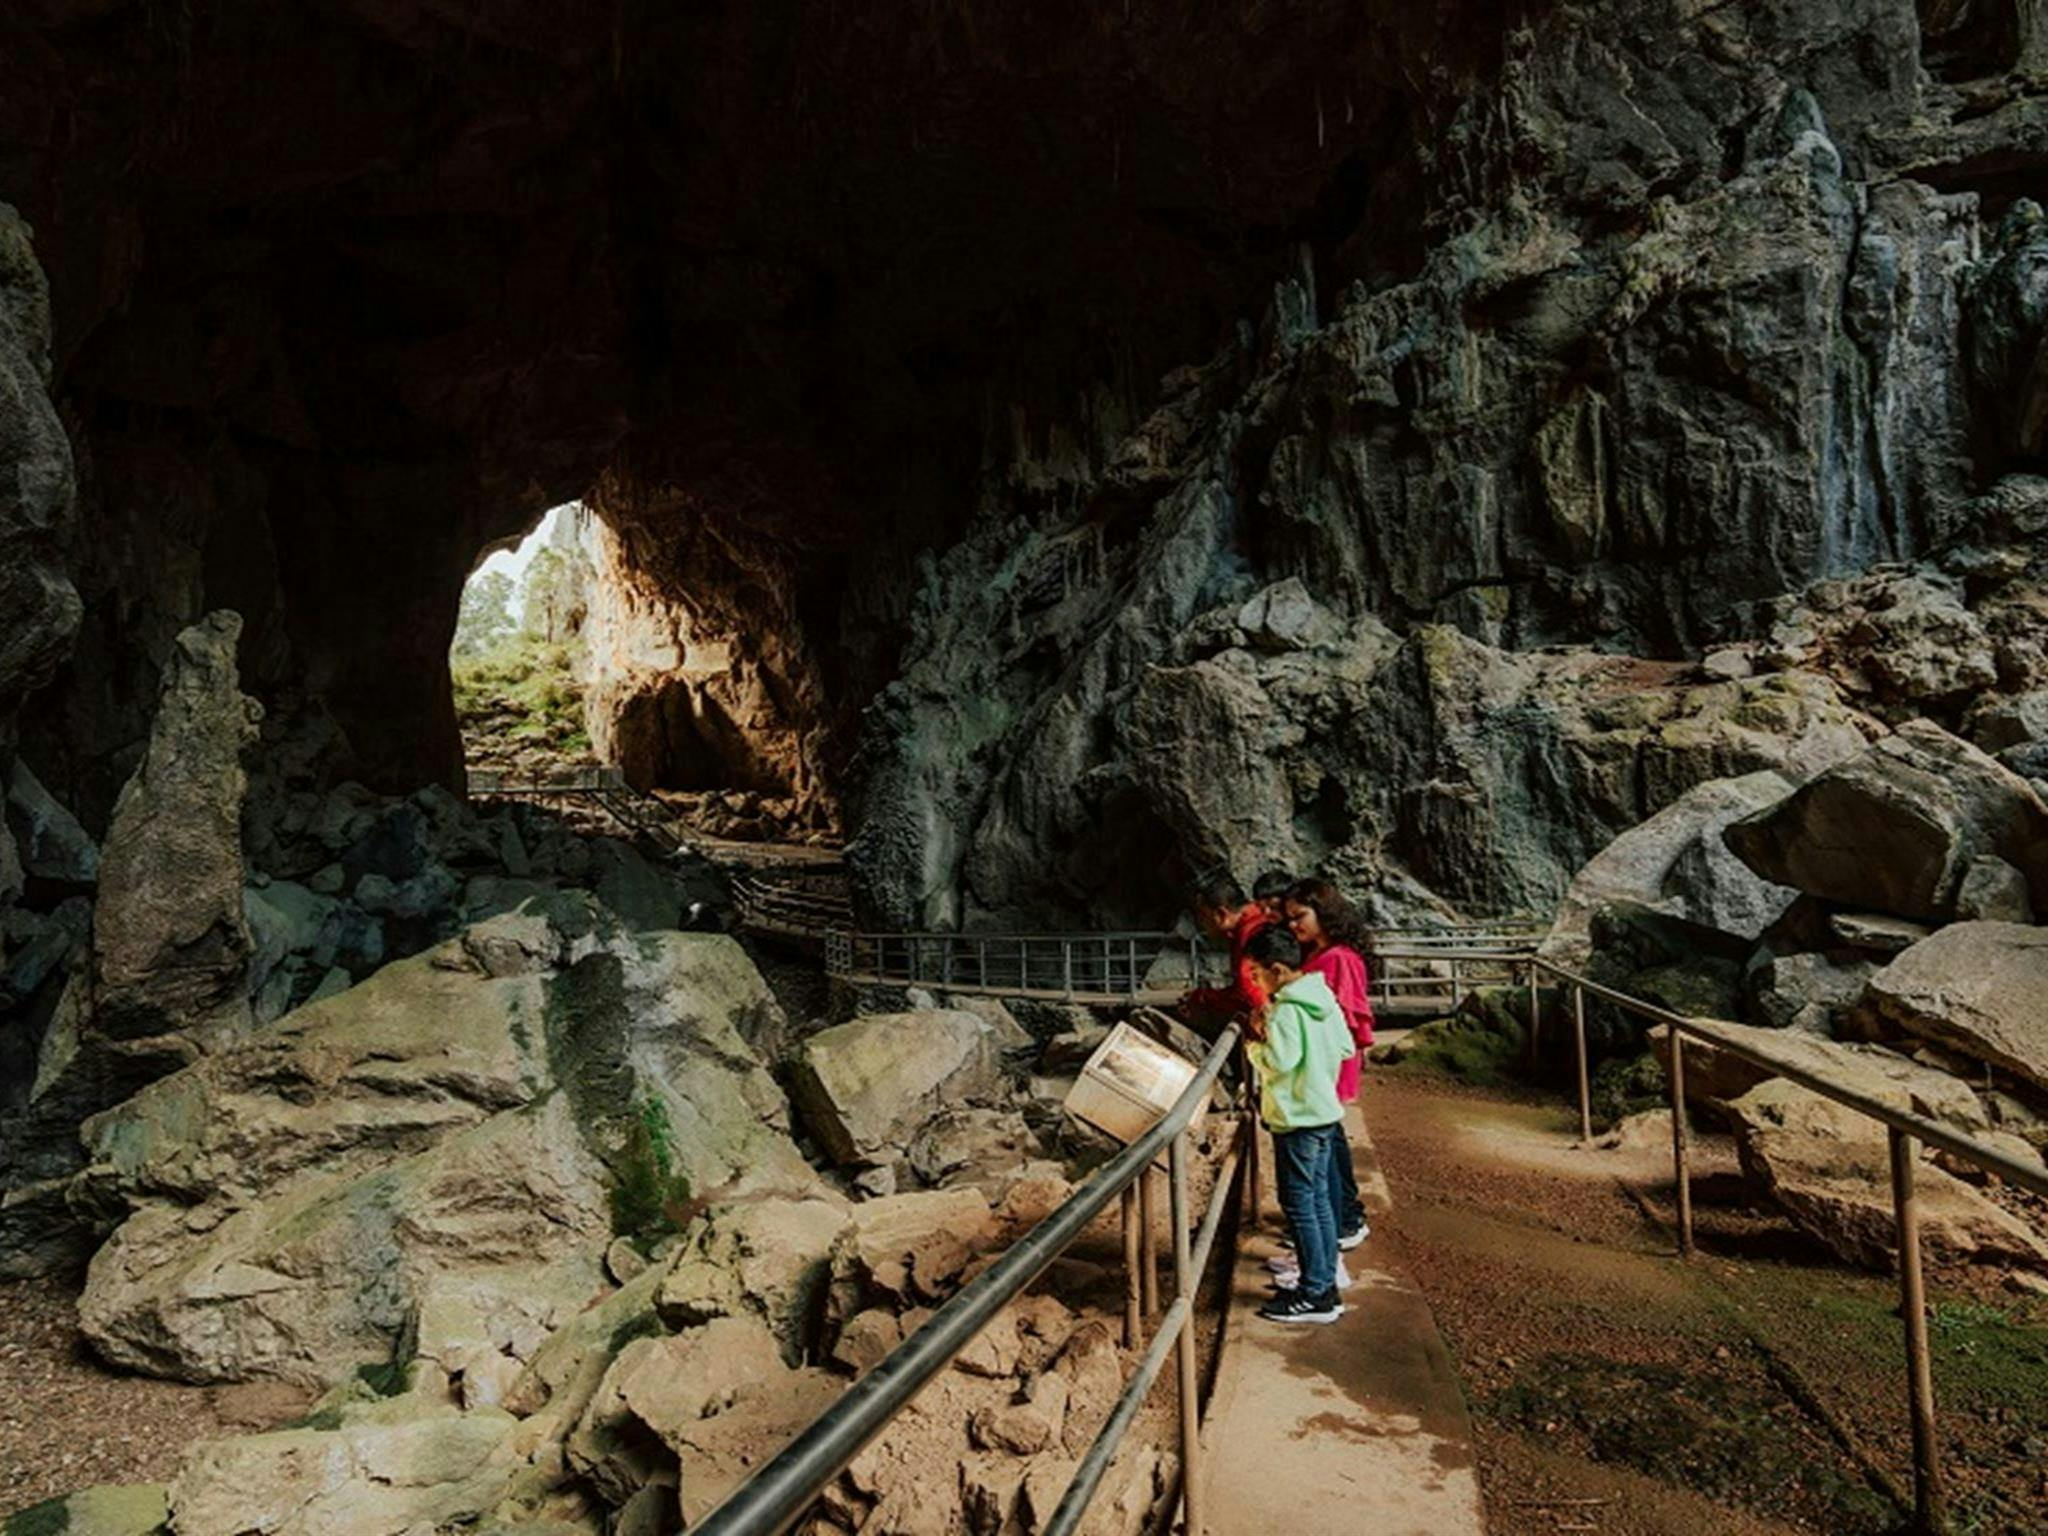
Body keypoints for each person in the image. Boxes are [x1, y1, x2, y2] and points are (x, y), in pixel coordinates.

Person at [1241, 924, 1353, 1324]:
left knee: (1301, 1206)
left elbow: (1280, 1061)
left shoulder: (1287, 1008)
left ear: (1276, 970)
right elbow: (1345, 1046)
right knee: (1319, 1201)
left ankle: (1314, 1294)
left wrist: (1255, 1043)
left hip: (1298, 1119)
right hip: (1323, 1113)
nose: (1254, 981)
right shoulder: (1321, 996)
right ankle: (1324, 1284)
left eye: (1256, 973)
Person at [1284, 878, 1376, 1249]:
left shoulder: (1339, 958)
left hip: (1330, 1062)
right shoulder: (1322, 955)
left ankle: (1342, 1220)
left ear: (1323, 912)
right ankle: (1336, 1221)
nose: (1293, 924)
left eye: (1300, 916)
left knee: (1326, 1142)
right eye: (1289, 918)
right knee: (1329, 1139)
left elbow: (1351, 1015)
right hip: (1325, 1060)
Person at [1178, 872, 1273, 1034]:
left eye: (1203, 916)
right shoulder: (1261, 919)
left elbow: (1246, 994)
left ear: (1221, 914)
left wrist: (1203, 998)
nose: (1202, 924)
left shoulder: (1250, 934)